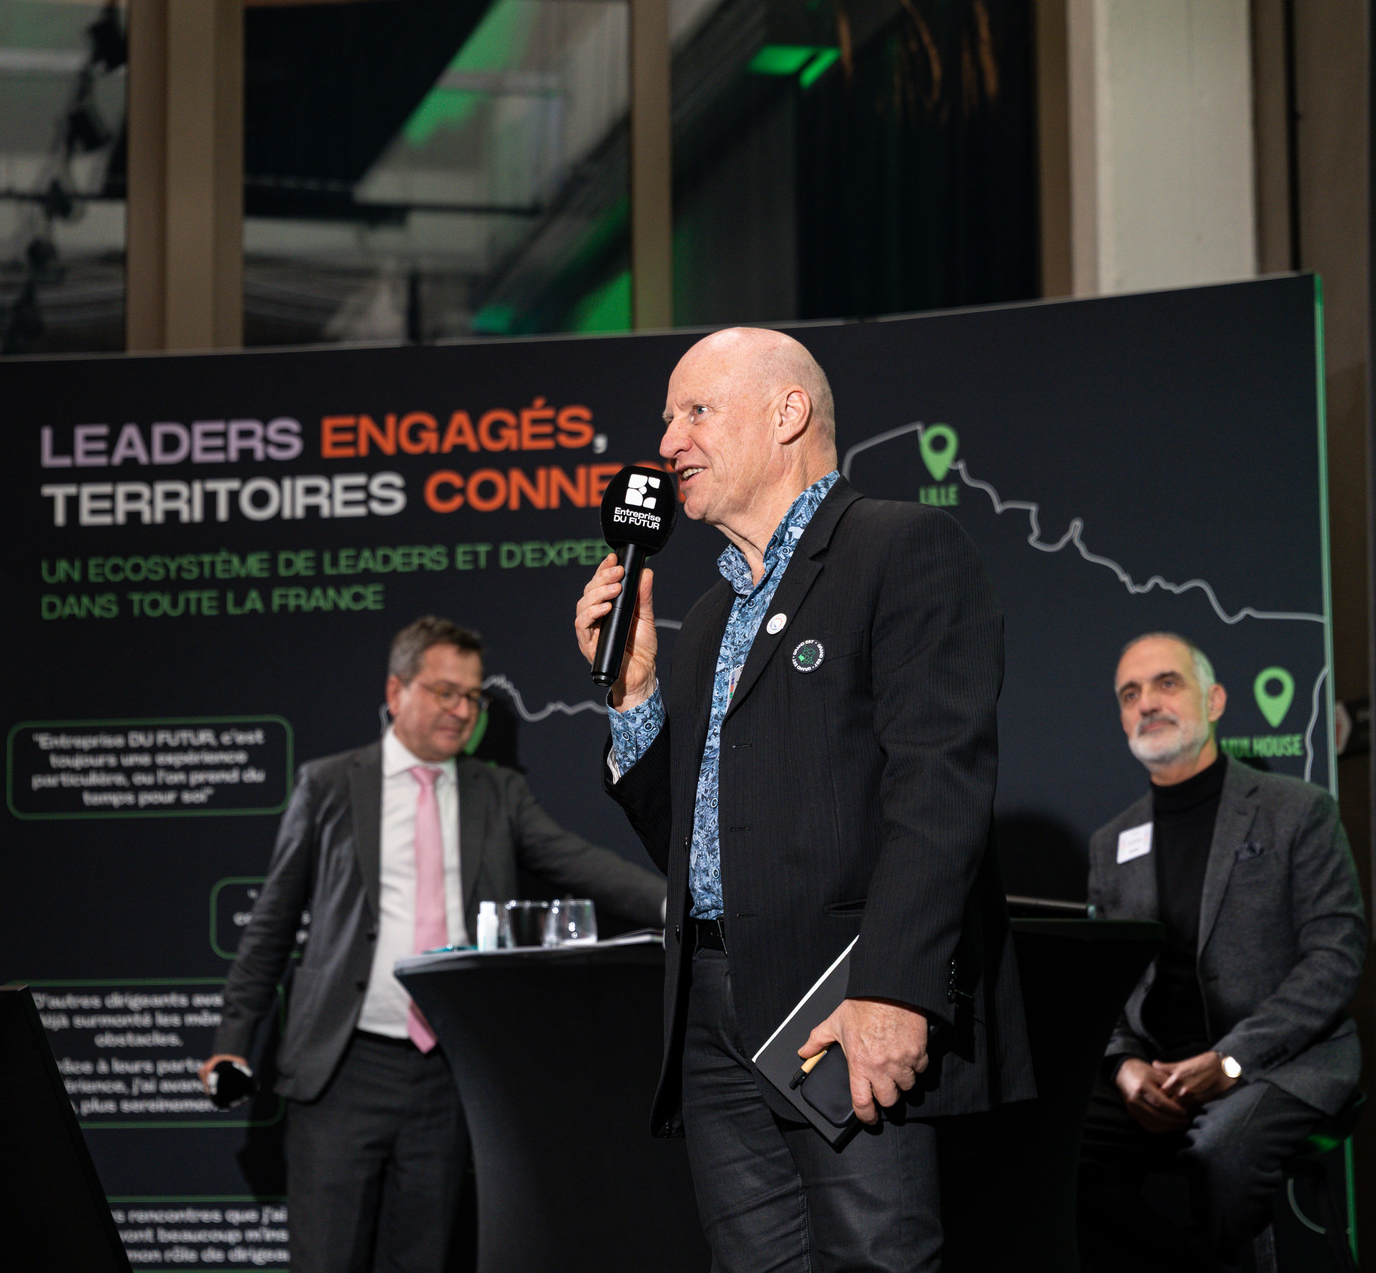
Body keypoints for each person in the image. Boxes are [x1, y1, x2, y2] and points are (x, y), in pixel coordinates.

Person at [572, 326, 1034, 1271]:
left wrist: (894, 989)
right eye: (666, 417)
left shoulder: (901, 547)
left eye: (696, 411)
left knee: (875, 1258)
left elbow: (939, 791)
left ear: (788, 413)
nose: (667, 442)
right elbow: (696, 841)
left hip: (843, 1001)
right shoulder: (708, 619)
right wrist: (635, 696)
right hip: (712, 1002)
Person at [202, 616, 665, 1273]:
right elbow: (270, 927)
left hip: (447, 1072)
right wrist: (230, 1042)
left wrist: (678, 905)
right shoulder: (329, 785)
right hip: (342, 1071)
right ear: (396, 692)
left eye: (472, 696)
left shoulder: (497, 793)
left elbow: (581, 864)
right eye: (445, 692)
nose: (461, 710)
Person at [1078, 632, 1365, 1273]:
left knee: (1219, 1156)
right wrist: (1125, 1066)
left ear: (1214, 700)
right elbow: (1104, 983)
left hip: (1282, 1063)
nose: (1147, 703)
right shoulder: (1111, 843)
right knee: (1054, 1150)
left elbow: (1335, 959)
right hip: (1156, 1074)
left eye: (1167, 683)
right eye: (1130, 694)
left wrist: (1230, 1061)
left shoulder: (1298, 811)